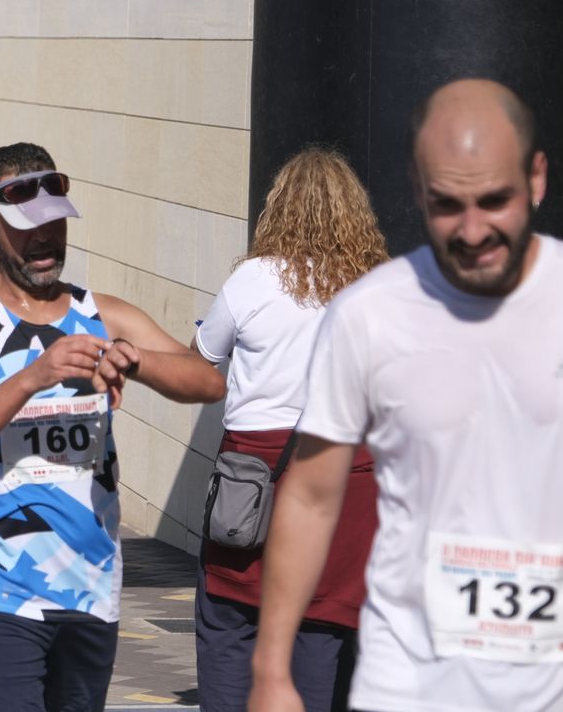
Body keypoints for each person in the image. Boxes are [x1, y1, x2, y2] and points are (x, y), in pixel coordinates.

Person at [251, 79, 563, 712]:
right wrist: (271, 671)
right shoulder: (369, 314)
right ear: (418, 190)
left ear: (536, 178)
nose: (473, 230)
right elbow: (311, 495)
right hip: (407, 687)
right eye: (448, 204)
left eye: (494, 200)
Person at [0, 142, 225, 712]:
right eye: (26, 227)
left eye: (55, 223)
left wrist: (134, 359)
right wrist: (33, 377)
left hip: (92, 578)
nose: (44, 239)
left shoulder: (101, 313)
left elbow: (207, 382)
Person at [191, 148, 387, 712]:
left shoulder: (251, 281)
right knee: (318, 627)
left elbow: (201, 358)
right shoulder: (377, 285)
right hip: (345, 480)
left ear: (276, 209)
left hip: (255, 481)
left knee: (230, 622)